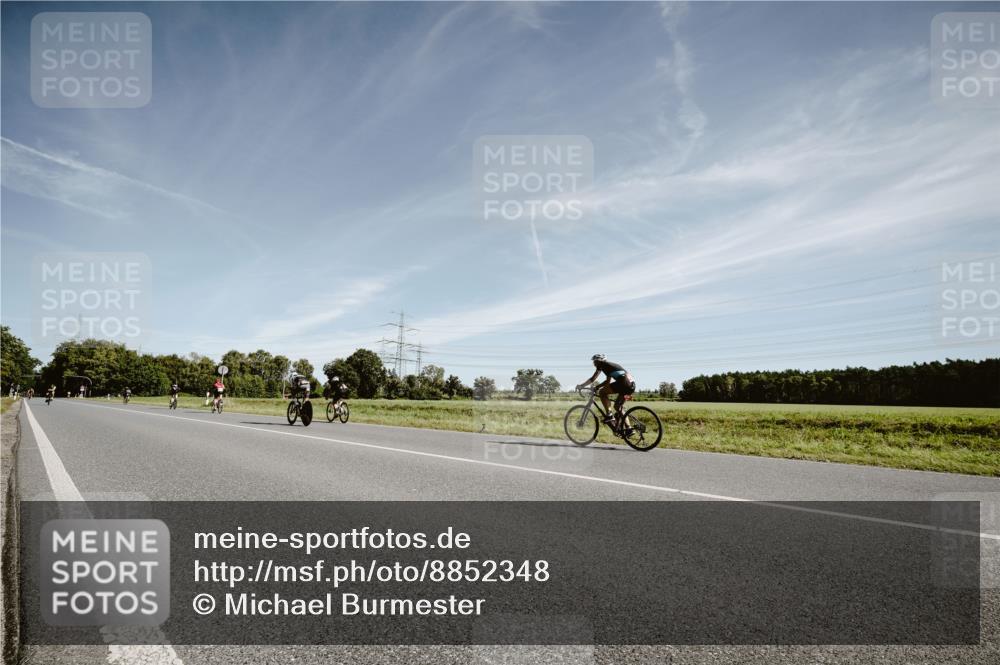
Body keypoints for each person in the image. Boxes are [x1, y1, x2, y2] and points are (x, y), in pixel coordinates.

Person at [576, 354, 635, 427]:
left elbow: (596, 379)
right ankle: (629, 428)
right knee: (618, 407)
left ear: (601, 361)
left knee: (602, 392)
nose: (594, 363)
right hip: (631, 385)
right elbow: (605, 381)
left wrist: (583, 386)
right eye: (594, 361)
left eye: (596, 361)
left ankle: (609, 414)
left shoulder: (604, 365)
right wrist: (597, 386)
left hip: (624, 383)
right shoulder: (609, 366)